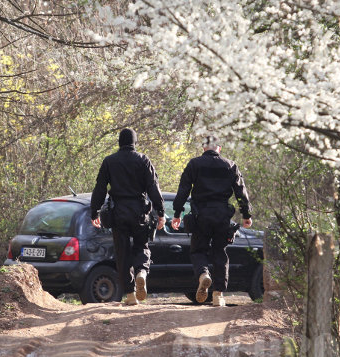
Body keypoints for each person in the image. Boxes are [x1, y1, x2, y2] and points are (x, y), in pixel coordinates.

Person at [171, 138, 252, 307]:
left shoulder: (194, 164)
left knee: (198, 250)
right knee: (220, 253)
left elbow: (183, 189)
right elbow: (240, 191)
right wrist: (246, 214)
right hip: (222, 215)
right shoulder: (230, 165)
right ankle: (218, 295)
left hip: (201, 215)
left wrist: (177, 213)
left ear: (204, 148)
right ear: (219, 148)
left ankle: (203, 275)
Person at [90, 128, 165, 305]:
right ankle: (141, 272)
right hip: (139, 211)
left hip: (118, 212)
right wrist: (161, 212)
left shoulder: (109, 161)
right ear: (134, 142)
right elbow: (153, 187)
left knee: (122, 253)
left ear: (119, 142)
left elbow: (100, 188)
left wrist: (94, 211)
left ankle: (130, 295)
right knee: (141, 246)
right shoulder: (143, 160)